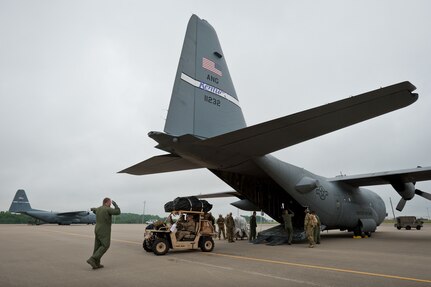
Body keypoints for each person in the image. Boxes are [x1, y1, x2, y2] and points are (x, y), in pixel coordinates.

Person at [87, 198, 121, 269]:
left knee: (97, 246)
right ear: (106, 202)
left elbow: (94, 210)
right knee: (105, 245)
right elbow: (117, 212)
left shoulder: (98, 209)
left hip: (97, 229)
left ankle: (96, 263)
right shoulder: (107, 209)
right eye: (110, 203)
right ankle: (92, 259)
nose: (110, 204)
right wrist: (115, 205)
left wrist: (92, 209)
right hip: (104, 230)